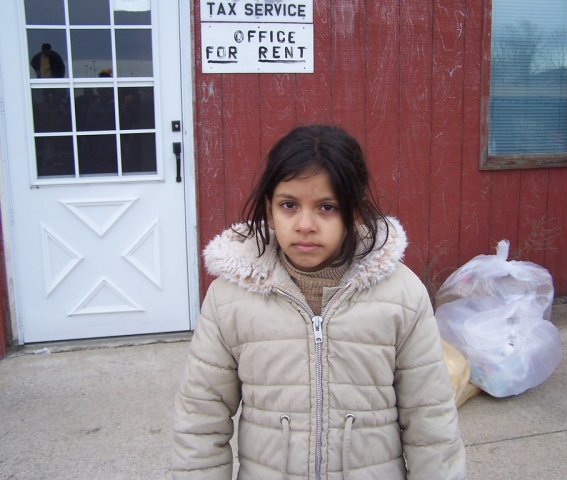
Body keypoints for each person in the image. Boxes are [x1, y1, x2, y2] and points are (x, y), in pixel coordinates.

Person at [171, 125, 467, 479]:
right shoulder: (229, 299)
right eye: (289, 205)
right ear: (269, 209)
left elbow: (430, 420)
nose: (305, 224)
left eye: (327, 207)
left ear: (355, 213)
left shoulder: (401, 296)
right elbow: (200, 420)